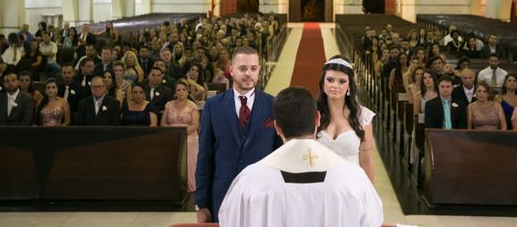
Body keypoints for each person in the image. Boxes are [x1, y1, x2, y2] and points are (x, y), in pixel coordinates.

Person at [218, 86, 383, 227]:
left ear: (277, 127)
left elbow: (229, 220)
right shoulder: (353, 178)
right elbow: (373, 220)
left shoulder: (250, 180)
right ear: (317, 120)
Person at [195, 46, 281, 223]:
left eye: (253, 68)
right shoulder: (213, 106)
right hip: (223, 193)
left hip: (262, 195)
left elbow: (279, 155)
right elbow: (205, 156)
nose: (248, 73)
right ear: (232, 71)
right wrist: (202, 204)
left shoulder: (273, 105)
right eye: (243, 69)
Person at [316, 55, 375, 183]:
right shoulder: (312, 114)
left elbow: (367, 160)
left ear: (349, 85)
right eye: (330, 80)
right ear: (322, 82)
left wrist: (370, 196)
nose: (335, 85)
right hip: (320, 188)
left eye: (342, 81)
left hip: (352, 186)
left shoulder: (363, 116)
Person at [162, 79, 200, 192]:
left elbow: (195, 125)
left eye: (183, 90)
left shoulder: (192, 106)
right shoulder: (169, 105)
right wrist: (172, 132)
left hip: (189, 135)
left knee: (187, 145)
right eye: (178, 90)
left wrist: (181, 133)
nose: (181, 92)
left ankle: (189, 184)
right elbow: (163, 123)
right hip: (172, 135)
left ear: (188, 91)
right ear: (175, 92)